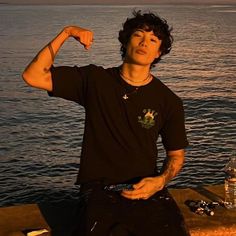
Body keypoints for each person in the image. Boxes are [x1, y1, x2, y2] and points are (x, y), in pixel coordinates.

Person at [22, 10, 189, 236]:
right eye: (138, 35)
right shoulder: (95, 80)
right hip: (97, 190)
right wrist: (67, 32)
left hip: (146, 189)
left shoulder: (169, 101)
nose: (144, 43)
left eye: (153, 40)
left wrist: (160, 181)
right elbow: (33, 76)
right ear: (126, 40)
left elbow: (176, 156)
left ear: (159, 52)